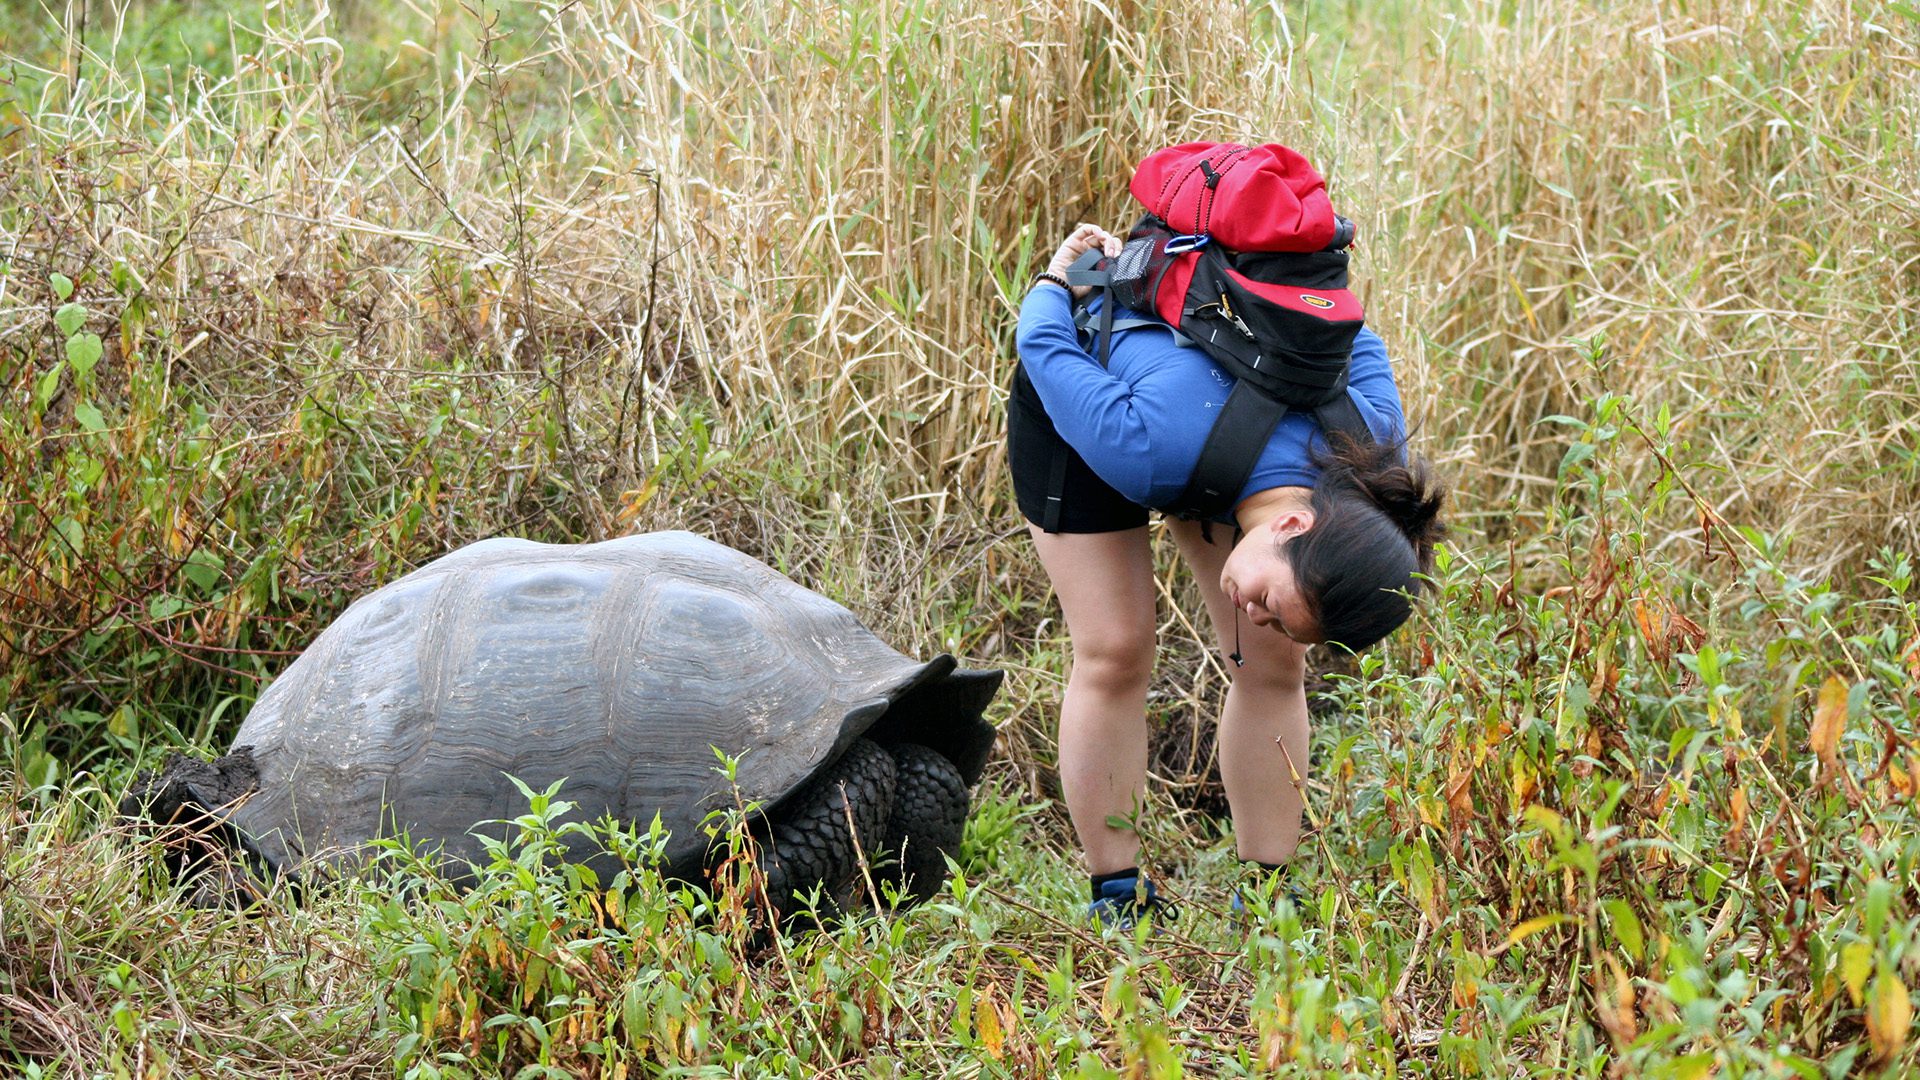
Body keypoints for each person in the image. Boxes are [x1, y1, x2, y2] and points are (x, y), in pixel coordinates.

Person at [1008, 216, 1446, 927]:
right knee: (1116, 648)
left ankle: (1269, 896)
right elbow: (1043, 345)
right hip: (1088, 393)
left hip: (1215, 443)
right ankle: (1118, 897)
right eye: (1272, 599)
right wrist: (1063, 278)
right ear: (1295, 522)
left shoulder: (1369, 452)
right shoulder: (1147, 448)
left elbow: (1358, 340)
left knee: (1276, 663)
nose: (1257, 611)